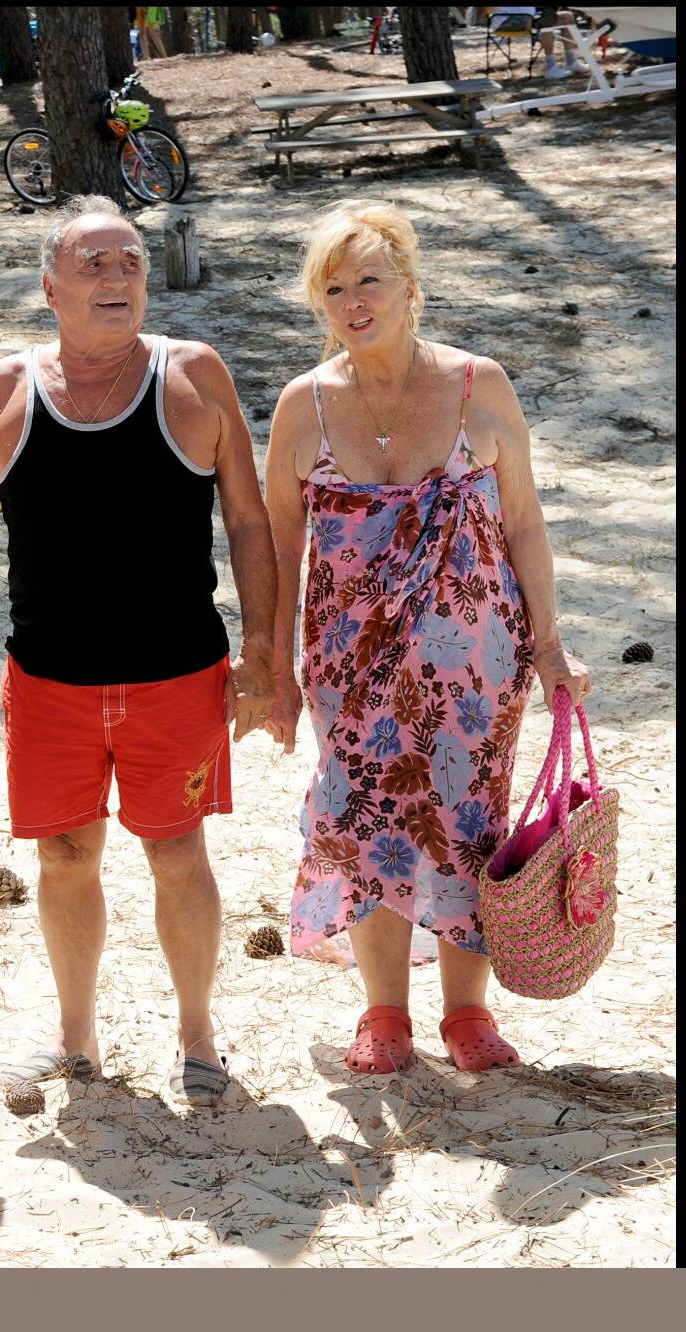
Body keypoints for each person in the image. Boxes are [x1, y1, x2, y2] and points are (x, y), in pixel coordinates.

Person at [0, 195, 279, 1109]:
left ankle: (198, 1037)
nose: (116, 277)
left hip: (178, 670)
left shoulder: (193, 375)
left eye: (129, 261)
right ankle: (74, 1037)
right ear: (49, 285)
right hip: (47, 677)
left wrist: (265, 655)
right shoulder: (4, 387)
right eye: (93, 264)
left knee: (177, 854)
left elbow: (248, 523)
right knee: (62, 857)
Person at [262, 201, 591, 1075]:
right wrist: (271, 667)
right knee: (365, 818)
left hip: (480, 655)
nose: (354, 299)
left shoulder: (481, 384)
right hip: (348, 660)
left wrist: (552, 645)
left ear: (411, 287)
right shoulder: (304, 406)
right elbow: (275, 549)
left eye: (371, 278)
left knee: (467, 821)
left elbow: (523, 521)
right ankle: (383, 1013)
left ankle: (466, 1014)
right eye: (335, 287)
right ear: (319, 303)